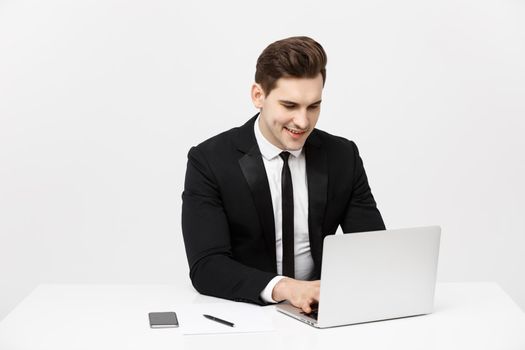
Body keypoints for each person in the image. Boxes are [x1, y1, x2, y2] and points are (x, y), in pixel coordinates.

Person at [181, 36, 385, 313]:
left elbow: (371, 249)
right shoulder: (210, 160)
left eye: (313, 106)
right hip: (247, 312)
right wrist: (285, 288)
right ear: (258, 96)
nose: (303, 122)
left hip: (321, 313)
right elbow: (207, 266)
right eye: (289, 106)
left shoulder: (343, 156)